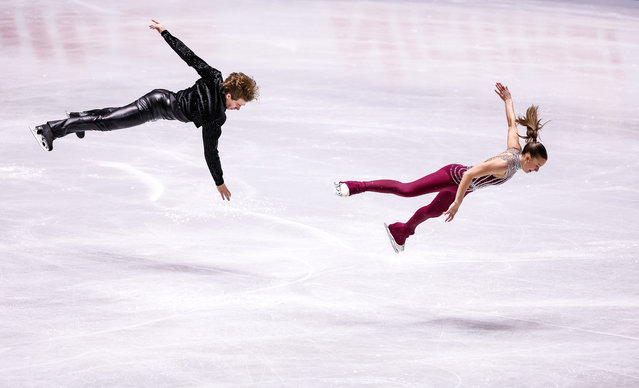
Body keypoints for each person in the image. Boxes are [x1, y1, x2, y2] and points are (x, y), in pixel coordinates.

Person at [31, 20, 259, 201]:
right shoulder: (216, 116)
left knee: (114, 114)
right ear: (229, 94)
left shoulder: (215, 77)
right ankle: (49, 130)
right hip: (154, 106)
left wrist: (165, 32)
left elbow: (189, 57)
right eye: (238, 104)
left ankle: (78, 118)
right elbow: (211, 151)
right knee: (106, 122)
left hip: (159, 98)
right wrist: (219, 182)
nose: (238, 108)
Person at [336, 82, 547, 253]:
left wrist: (509, 101)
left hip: (463, 186)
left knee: (434, 211)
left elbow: (511, 125)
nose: (536, 170)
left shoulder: (516, 149)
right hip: (454, 177)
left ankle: (400, 231)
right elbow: (470, 174)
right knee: (406, 190)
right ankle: (354, 186)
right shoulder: (505, 163)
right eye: (536, 166)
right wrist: (457, 203)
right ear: (528, 157)